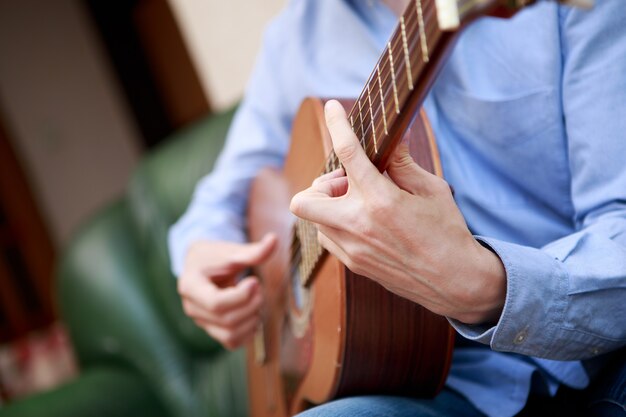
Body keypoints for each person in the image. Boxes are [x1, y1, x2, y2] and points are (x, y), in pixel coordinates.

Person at [169, 0, 626, 415]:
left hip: (598, 356)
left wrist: (481, 286)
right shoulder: (295, 35)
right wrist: (198, 253)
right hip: (426, 383)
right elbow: (220, 198)